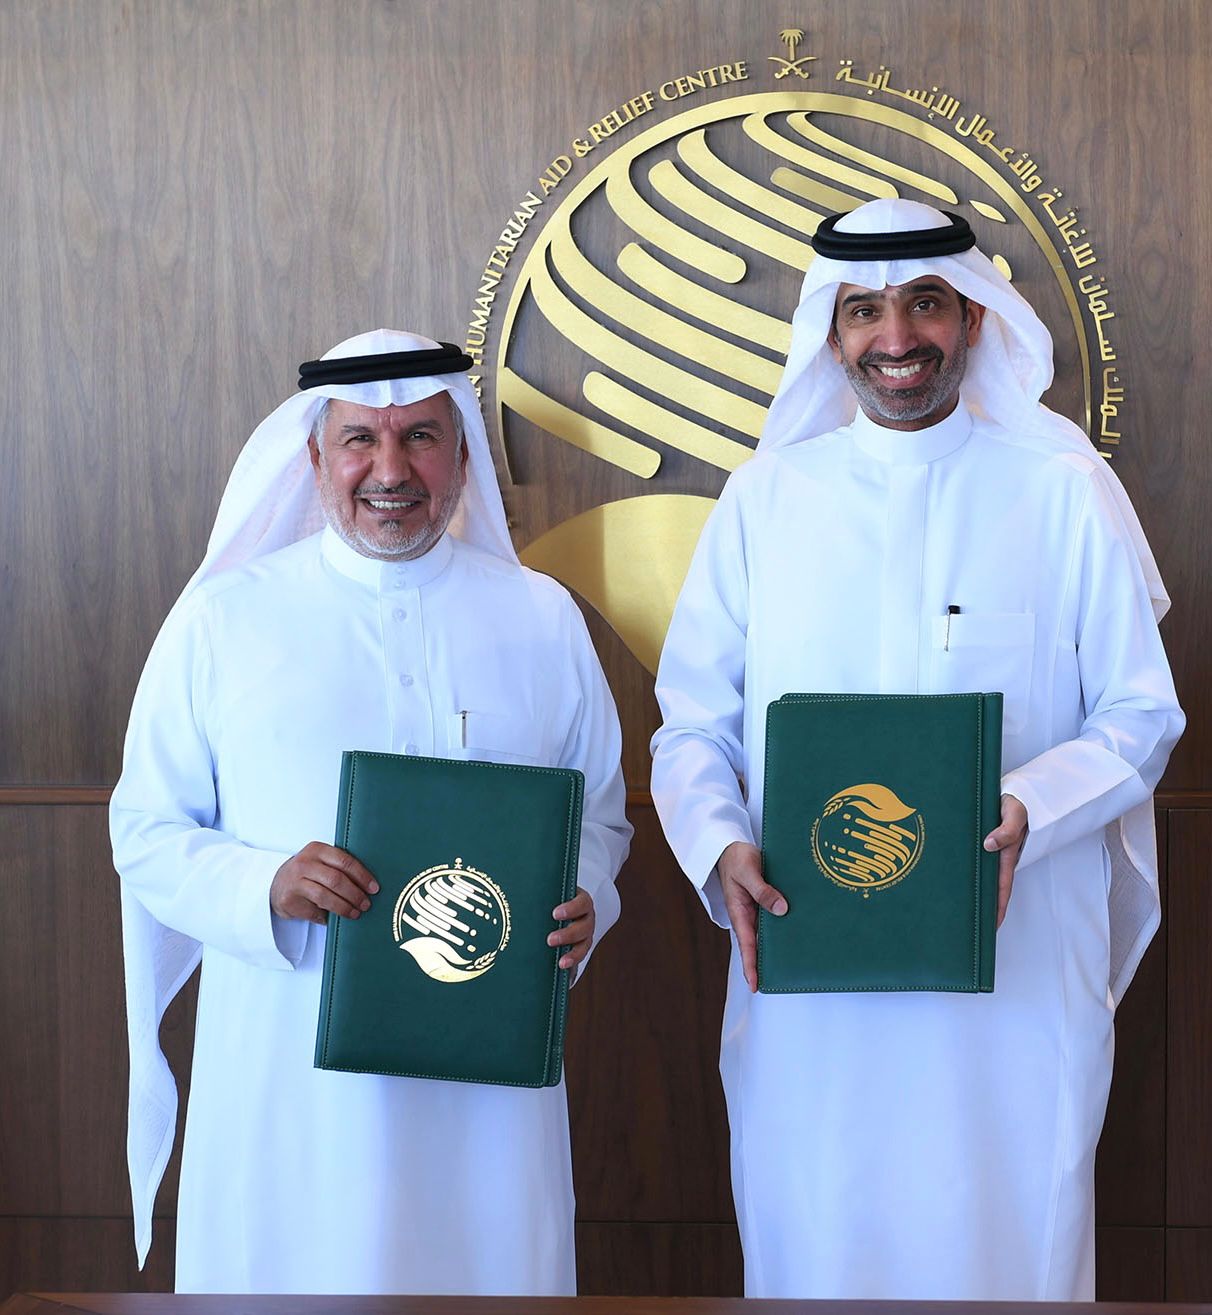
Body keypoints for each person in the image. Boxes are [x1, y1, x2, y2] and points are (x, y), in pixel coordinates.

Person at [650, 199, 1183, 1301]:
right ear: (831, 332)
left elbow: (1141, 715)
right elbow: (692, 724)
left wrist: (1031, 805)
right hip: (810, 954)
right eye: (864, 311)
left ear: (975, 318)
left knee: (1006, 1234)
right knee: (820, 1230)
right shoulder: (765, 500)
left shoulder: (1060, 490)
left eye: (926, 304)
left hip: (1015, 961)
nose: (896, 338)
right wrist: (718, 844)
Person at [111, 330, 632, 1295]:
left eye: (421, 437)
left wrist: (585, 889)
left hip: (488, 1083)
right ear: (315, 456)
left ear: (462, 455)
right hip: (290, 1081)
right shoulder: (222, 619)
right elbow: (144, 830)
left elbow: (598, 811)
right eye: (361, 439)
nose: (391, 470)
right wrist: (265, 882)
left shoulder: (540, 616)